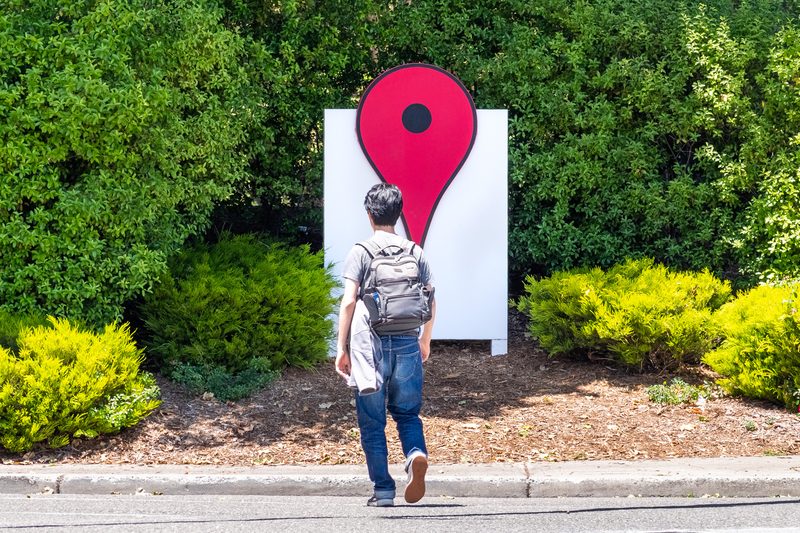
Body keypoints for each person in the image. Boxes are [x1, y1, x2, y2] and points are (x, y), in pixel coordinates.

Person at [335, 183, 436, 507]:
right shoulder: (414, 251)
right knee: (407, 415)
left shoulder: (361, 252)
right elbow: (432, 297)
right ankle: (415, 454)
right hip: (408, 343)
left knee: (372, 422)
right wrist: (425, 340)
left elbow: (349, 302)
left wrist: (341, 348)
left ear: (369, 215)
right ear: (399, 213)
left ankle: (383, 491)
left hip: (372, 348)